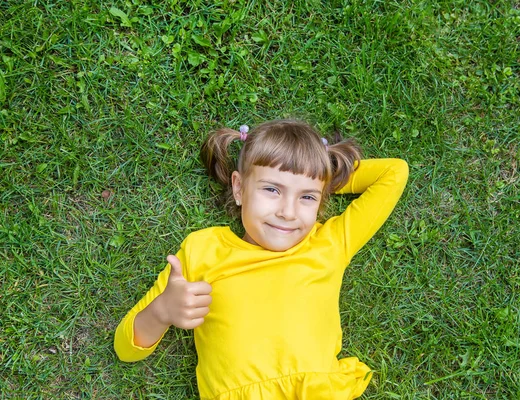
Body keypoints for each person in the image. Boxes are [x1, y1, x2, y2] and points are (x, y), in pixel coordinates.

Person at [114, 119, 409, 399]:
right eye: (272, 189)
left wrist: (320, 176)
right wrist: (162, 311)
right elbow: (126, 348)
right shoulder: (202, 250)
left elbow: (394, 173)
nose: (288, 212)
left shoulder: (329, 243)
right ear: (239, 188)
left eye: (307, 197)